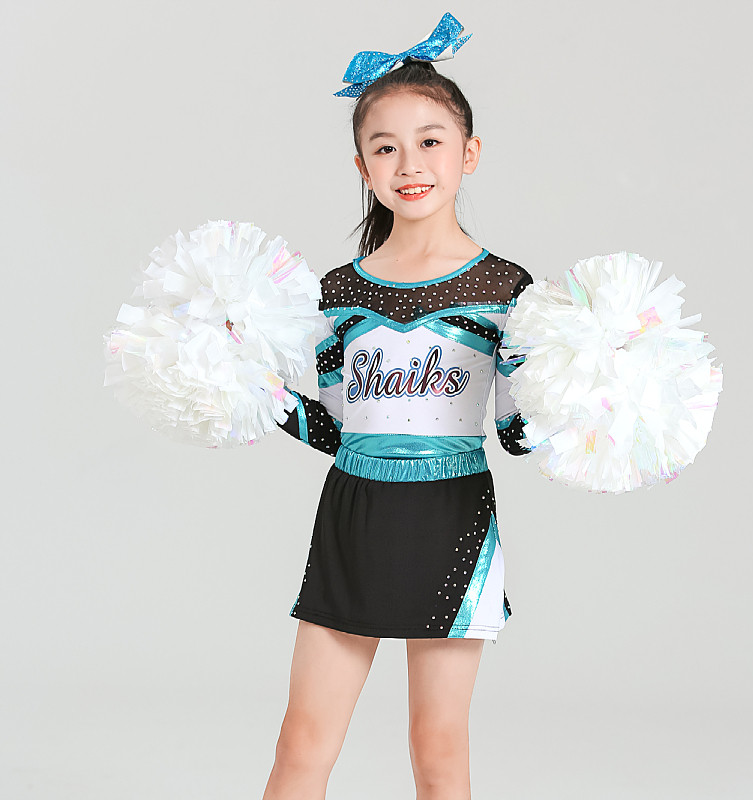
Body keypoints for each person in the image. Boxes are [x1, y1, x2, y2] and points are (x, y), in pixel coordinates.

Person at [263, 13, 533, 800]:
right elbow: (336, 427)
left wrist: (588, 396)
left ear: (468, 153)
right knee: (302, 741)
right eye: (385, 147)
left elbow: (515, 433)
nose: (409, 164)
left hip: (453, 521)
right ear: (362, 165)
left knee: (437, 747)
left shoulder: (508, 288)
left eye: (430, 141)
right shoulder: (336, 292)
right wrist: (251, 391)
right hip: (352, 516)